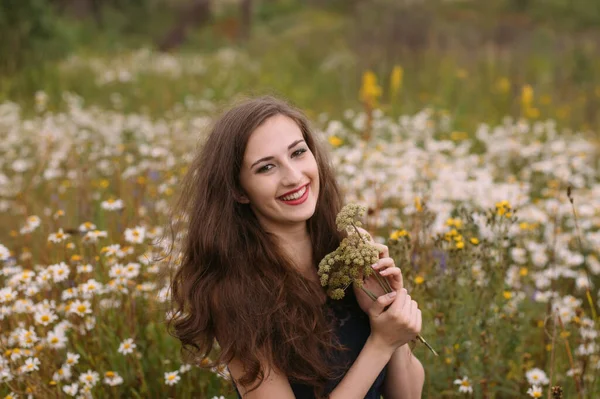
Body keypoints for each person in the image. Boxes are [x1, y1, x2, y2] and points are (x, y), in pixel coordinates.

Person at [167, 95, 425, 399]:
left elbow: (407, 395)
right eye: (266, 168)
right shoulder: (233, 295)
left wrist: (387, 314)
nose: (293, 177)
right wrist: (380, 343)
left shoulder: (347, 254)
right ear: (238, 191)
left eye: (298, 153)